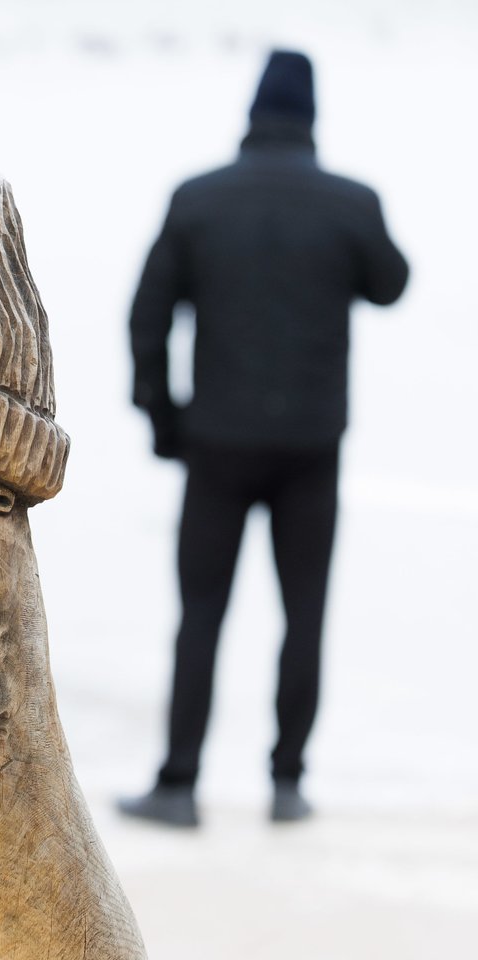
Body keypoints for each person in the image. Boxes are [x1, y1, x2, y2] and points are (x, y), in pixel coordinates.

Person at [119, 50, 408, 826]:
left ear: (253, 112)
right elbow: (391, 283)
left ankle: (178, 786)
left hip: (216, 443)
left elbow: (147, 317)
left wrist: (163, 418)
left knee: (201, 613)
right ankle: (286, 785)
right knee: (304, 613)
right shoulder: (351, 202)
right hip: (312, 448)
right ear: (311, 116)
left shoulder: (198, 199)